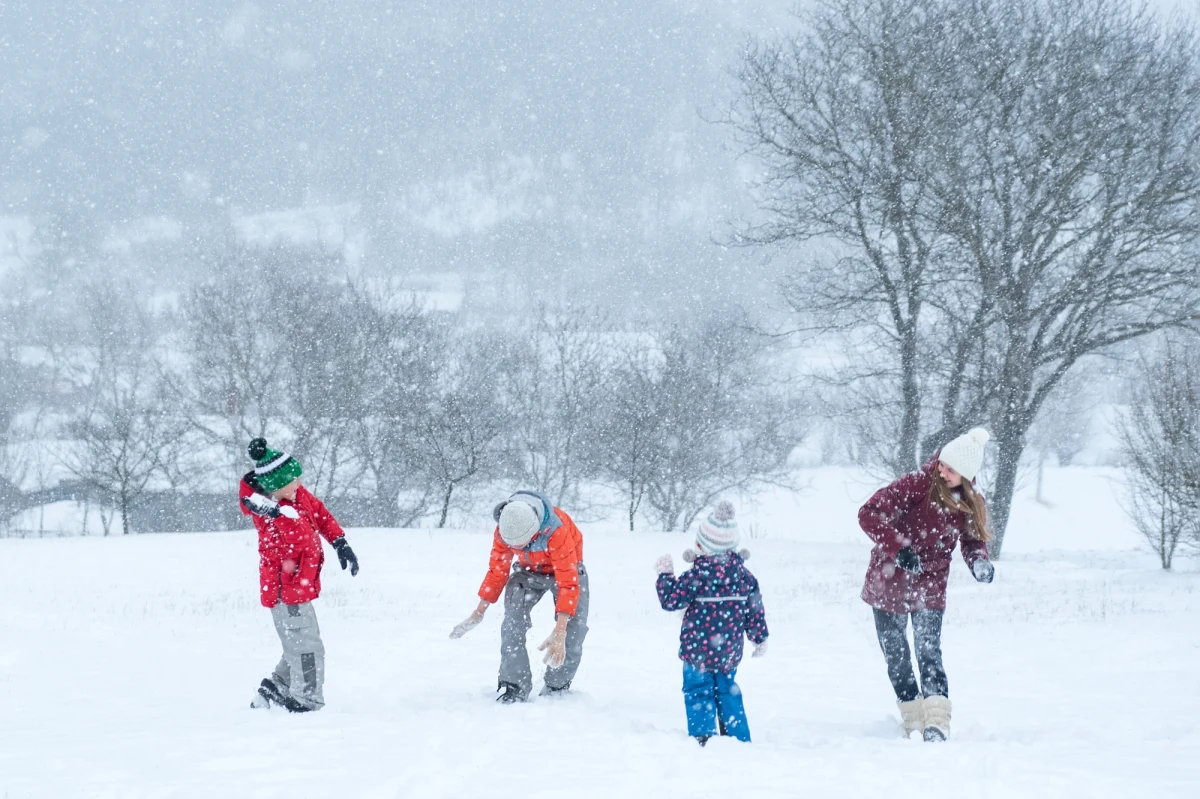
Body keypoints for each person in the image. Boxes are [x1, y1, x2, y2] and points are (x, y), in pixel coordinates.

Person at [858, 427, 996, 742]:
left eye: (952, 470)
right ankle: (912, 718)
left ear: (967, 475)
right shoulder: (915, 485)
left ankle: (937, 721)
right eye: (943, 464)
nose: (943, 471)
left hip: (930, 582)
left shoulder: (972, 502)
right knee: (896, 654)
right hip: (889, 578)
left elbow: (973, 542)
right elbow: (868, 514)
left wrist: (979, 562)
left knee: (928, 649)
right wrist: (899, 547)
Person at [239, 437, 359, 712]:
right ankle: (307, 700)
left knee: (302, 641)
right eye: (293, 481)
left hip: (298, 590)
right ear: (275, 487)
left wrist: (340, 542)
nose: (299, 485)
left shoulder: (296, 496)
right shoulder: (269, 515)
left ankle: (278, 687)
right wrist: (276, 512)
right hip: (287, 593)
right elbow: (296, 539)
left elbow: (321, 514)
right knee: (308, 647)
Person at [449, 490, 588, 703]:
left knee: (573, 627)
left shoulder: (557, 530)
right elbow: (498, 571)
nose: (514, 548)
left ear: (534, 533)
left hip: (568, 570)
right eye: (511, 545)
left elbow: (568, 583)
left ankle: (557, 686)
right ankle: (515, 684)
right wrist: (479, 611)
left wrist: (560, 629)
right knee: (512, 622)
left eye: (519, 545)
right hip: (528, 572)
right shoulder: (506, 526)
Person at [655, 501, 768, 745]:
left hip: (697, 652)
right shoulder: (745, 578)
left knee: (698, 691)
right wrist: (760, 638)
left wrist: (665, 575)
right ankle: (736, 737)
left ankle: (703, 736)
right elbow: (755, 611)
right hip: (728, 651)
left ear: (704, 547)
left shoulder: (696, 576)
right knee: (728, 690)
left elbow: (670, 600)